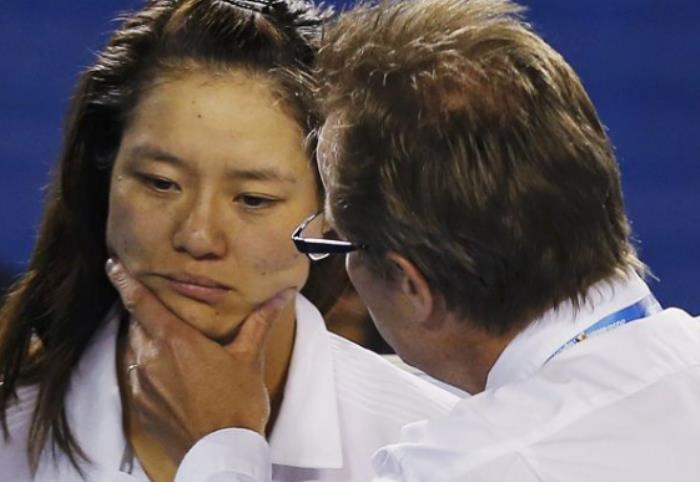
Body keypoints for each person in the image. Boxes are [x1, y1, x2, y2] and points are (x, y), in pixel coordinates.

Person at [104, 0, 700, 480]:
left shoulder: (457, 469)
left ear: (413, 288)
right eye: (160, 182)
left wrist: (221, 449)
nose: (200, 236)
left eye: (336, 239)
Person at [0, 1, 458, 481]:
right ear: (103, 179)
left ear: (331, 216)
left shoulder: (444, 453)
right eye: (160, 183)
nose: (198, 237)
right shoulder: (12, 421)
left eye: (253, 199)